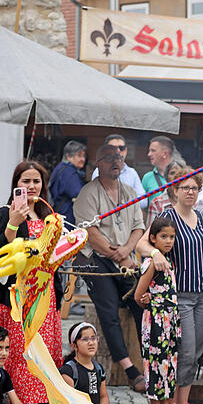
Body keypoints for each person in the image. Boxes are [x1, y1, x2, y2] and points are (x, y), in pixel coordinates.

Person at [136, 167, 203, 404]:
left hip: (202, 291)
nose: (190, 192)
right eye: (185, 188)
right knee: (186, 351)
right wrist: (155, 255)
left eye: (194, 188)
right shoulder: (167, 216)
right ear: (175, 190)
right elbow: (142, 244)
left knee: (198, 348)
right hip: (179, 295)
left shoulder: (201, 218)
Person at [0, 160, 64, 404]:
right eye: (26, 181)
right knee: (23, 350)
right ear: (16, 184)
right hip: (18, 296)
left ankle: (45, 403)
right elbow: (1, 250)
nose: (31, 186)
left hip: (46, 292)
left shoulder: (48, 214)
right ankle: (23, 403)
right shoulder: (5, 212)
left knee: (45, 350)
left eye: (36, 181)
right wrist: (14, 221)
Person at [74, 145, 146, 391]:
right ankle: (129, 368)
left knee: (142, 301)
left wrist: (126, 251)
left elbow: (139, 227)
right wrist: (118, 255)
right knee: (108, 308)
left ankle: (149, 361)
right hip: (95, 258)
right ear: (98, 163)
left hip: (123, 257)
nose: (115, 162)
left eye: (119, 157)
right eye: (109, 158)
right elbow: (90, 233)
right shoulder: (88, 193)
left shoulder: (129, 191)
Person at [134, 217, 183, 404]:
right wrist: (149, 300)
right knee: (155, 365)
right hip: (155, 320)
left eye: (172, 237)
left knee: (168, 366)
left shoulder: (168, 261)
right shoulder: (152, 262)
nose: (169, 241)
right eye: (164, 237)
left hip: (170, 320)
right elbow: (138, 294)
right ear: (152, 239)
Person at [58, 322, 141, 404]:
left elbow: (103, 396)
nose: (91, 342)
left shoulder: (98, 368)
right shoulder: (68, 370)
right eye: (85, 339)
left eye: (93, 338)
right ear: (74, 345)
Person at [90, 134, 147, 210]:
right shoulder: (98, 172)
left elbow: (143, 202)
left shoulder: (132, 173)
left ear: (126, 151)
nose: (118, 151)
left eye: (121, 148)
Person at [49, 140, 86, 226]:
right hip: (66, 216)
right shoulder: (69, 171)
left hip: (58, 214)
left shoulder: (61, 168)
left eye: (84, 156)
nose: (83, 159)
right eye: (79, 156)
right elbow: (78, 194)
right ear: (69, 156)